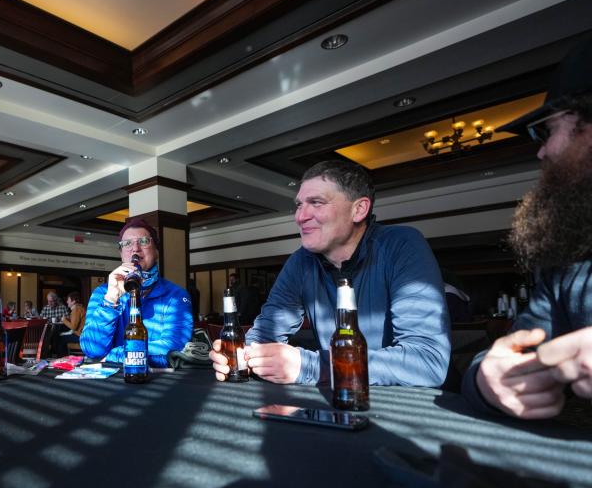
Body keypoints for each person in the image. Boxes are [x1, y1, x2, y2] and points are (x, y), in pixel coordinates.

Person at [211, 159, 450, 386]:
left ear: (359, 210)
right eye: (299, 205)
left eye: (316, 202)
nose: (300, 216)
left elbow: (427, 362)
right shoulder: (300, 262)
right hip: (335, 403)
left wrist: (310, 366)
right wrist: (238, 356)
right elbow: (263, 335)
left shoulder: (402, 245)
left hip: (405, 407)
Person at [463, 36, 592, 419]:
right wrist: (489, 381)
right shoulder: (568, 260)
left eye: (547, 131)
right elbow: (506, 353)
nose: (542, 152)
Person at [80, 218, 193, 367]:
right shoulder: (102, 293)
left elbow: (173, 349)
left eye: (144, 241)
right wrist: (110, 300)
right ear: (121, 254)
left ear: (156, 251)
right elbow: (92, 349)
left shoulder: (176, 296)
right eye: (127, 243)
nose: (135, 248)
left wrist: (114, 355)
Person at [53, 291, 85, 356]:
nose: (67, 302)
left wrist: (64, 320)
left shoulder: (76, 309)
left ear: (73, 301)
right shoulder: (79, 308)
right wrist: (68, 319)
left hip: (80, 336)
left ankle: (62, 358)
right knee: (60, 336)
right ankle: (64, 356)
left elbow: (73, 327)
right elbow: (76, 322)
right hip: (82, 334)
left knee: (60, 339)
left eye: (68, 300)